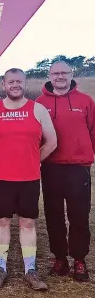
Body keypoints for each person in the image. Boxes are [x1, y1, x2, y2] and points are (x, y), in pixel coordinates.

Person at [0, 68, 57, 291]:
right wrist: (0, 159)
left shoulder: (38, 109)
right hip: (1, 178)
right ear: (4, 85)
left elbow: (52, 142)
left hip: (29, 177)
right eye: (11, 81)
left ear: (25, 84)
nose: (15, 85)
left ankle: (30, 270)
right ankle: (0, 269)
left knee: (28, 222)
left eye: (19, 81)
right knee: (1, 221)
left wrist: (33, 160)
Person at [36, 60, 94, 281]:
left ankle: (79, 260)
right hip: (51, 167)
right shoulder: (40, 103)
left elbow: (93, 131)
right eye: (55, 73)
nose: (60, 76)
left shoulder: (85, 101)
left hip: (78, 168)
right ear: (49, 76)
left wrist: (86, 154)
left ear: (71, 74)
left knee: (79, 215)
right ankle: (59, 257)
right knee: (53, 215)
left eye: (64, 73)